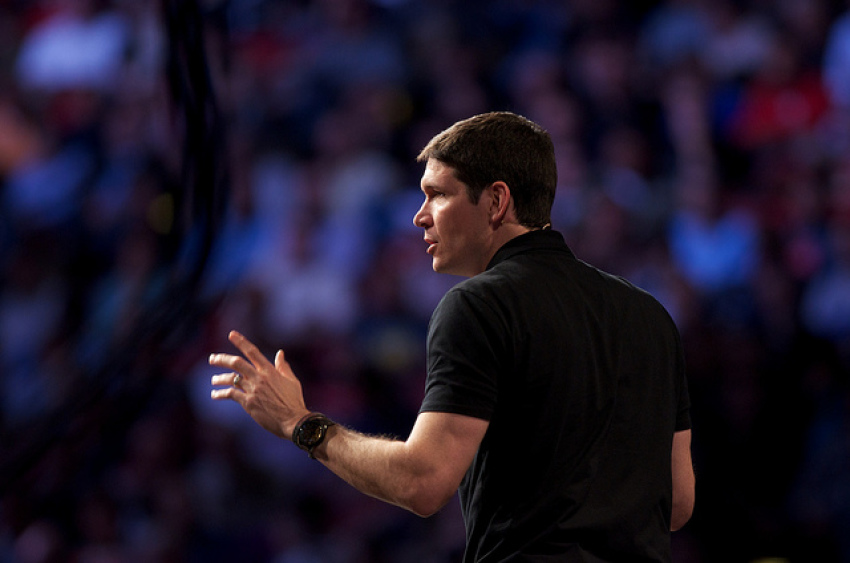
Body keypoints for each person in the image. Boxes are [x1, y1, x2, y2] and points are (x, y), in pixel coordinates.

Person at [209, 111, 695, 562]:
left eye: (438, 194)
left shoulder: (477, 306)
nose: (419, 215)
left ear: (497, 201)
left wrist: (300, 423)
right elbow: (676, 502)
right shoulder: (650, 315)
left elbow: (423, 482)